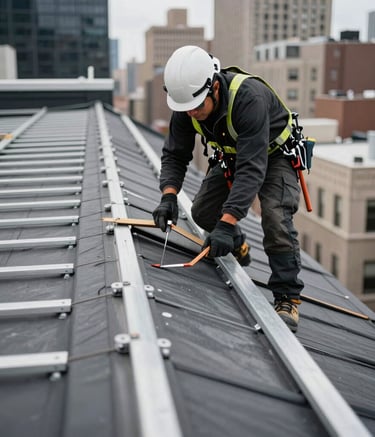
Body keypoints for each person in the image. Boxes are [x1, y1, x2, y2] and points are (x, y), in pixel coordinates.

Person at [153, 45, 304, 332]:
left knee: (276, 218)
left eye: (198, 106)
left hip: (273, 155)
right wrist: (168, 196)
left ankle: (287, 298)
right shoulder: (186, 106)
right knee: (202, 212)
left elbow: (252, 169)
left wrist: (228, 221)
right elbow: (175, 154)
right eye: (187, 109)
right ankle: (238, 243)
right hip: (234, 155)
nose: (194, 114)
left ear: (215, 88)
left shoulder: (249, 99)